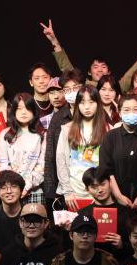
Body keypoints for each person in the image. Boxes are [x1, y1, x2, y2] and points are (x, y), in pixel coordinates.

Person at [40, 20, 137, 92]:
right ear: (89, 72)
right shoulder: (82, 85)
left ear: (109, 72)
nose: (100, 70)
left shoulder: (116, 87)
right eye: (95, 67)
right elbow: (66, 67)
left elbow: (132, 72)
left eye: (103, 67)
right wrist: (54, 41)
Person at [98, 95, 137, 215]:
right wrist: (118, 196)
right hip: (116, 197)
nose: (131, 113)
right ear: (120, 112)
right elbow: (107, 169)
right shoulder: (110, 137)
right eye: (126, 110)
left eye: (136, 109)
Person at [55, 85, 108, 211]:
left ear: (98, 104)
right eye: (82, 103)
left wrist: (104, 192)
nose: (87, 107)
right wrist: (67, 191)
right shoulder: (68, 129)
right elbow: (60, 160)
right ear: (77, 105)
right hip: (74, 191)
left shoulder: (107, 129)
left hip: (98, 191)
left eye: (91, 102)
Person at [42, 70, 83, 207]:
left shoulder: (93, 114)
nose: (72, 92)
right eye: (67, 89)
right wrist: (51, 191)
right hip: (65, 185)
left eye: (75, 88)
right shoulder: (58, 118)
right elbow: (51, 155)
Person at [0, 93, 47, 206]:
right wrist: (12, 187)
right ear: (14, 111)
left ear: (34, 111)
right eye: (19, 109)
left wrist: (27, 185)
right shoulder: (5, 134)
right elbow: (3, 163)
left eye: (27, 108)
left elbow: (42, 166)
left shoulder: (42, 134)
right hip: (9, 192)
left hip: (34, 191)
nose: (23, 112)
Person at [0, 170, 26, 252]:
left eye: (14, 186)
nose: (9, 191)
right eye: (3, 188)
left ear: (21, 190)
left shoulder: (29, 214)